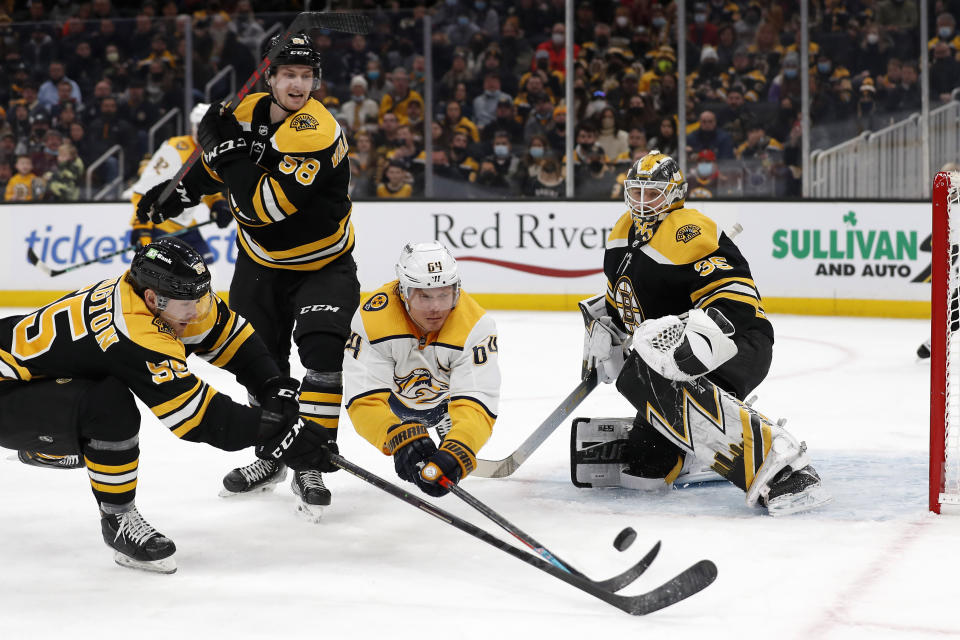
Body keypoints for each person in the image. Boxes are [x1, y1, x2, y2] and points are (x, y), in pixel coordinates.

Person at [0, 238, 337, 573]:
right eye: (188, 303)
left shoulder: (172, 299)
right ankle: (116, 519)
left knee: (100, 396)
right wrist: (283, 436)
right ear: (152, 298)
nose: (197, 311)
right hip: (8, 392)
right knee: (107, 405)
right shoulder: (134, 333)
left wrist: (274, 386)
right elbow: (200, 419)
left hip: (37, 380)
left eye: (201, 297)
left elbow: (234, 338)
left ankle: (56, 443)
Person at [135, 33, 360, 519]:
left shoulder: (315, 131)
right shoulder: (249, 111)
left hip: (323, 264)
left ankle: (312, 459)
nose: (299, 85)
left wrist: (226, 149)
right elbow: (218, 170)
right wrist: (176, 194)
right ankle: (277, 451)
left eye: (307, 76)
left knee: (321, 351)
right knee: (263, 363)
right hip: (260, 264)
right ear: (271, 77)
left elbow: (263, 208)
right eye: (289, 75)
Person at [576, 150, 830, 516]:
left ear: (675, 194)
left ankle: (787, 469)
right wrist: (607, 327)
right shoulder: (621, 234)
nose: (643, 202)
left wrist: (693, 336)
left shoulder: (687, 228)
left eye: (654, 193)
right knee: (645, 467)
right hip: (667, 358)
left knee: (646, 372)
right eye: (638, 192)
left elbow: (737, 298)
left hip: (736, 343)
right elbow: (624, 301)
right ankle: (697, 451)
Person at [342, 242, 500, 497]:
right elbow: (364, 400)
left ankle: (446, 420)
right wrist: (396, 436)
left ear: (457, 291)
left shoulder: (475, 326)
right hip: (395, 400)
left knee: (458, 408)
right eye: (424, 296)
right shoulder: (373, 319)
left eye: (443, 294)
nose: (435, 307)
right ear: (404, 291)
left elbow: (477, 400)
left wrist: (458, 448)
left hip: (445, 397)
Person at [129, 102, 232, 262]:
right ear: (193, 127)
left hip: (186, 225)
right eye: (200, 126)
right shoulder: (175, 149)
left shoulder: (212, 151)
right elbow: (143, 190)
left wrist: (218, 204)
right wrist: (141, 226)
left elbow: (205, 184)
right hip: (162, 225)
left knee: (206, 266)